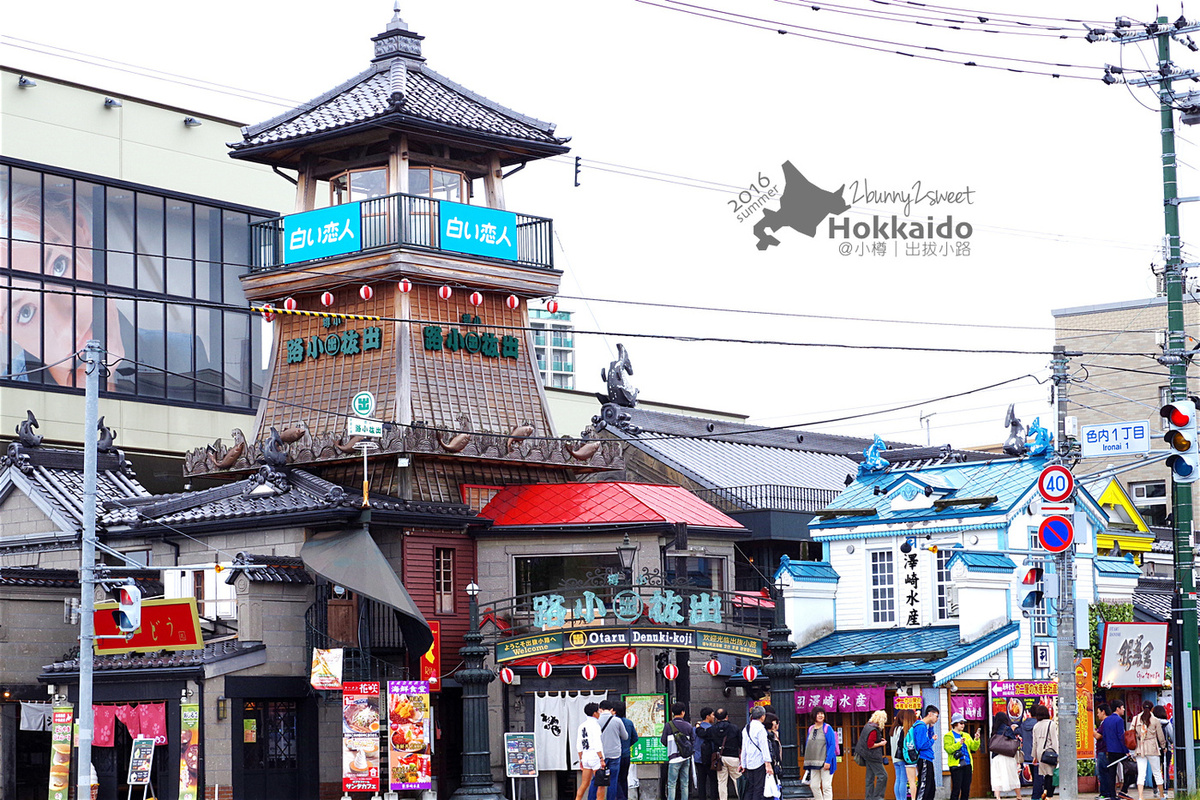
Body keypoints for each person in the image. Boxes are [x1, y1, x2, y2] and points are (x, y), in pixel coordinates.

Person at [588, 700, 628, 800]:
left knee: (595, 779)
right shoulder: (617, 721)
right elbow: (625, 736)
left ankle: (591, 798)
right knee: (613, 780)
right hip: (615, 754)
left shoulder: (596, 721)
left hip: (600, 755)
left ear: (600, 709)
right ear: (611, 709)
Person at [1132, 701, 1166, 800]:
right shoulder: (1155, 720)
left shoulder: (1135, 719)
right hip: (1152, 748)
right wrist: (1163, 746)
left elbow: (1131, 732)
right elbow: (1160, 736)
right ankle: (1161, 795)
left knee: (1141, 773)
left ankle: (1140, 796)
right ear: (1152, 709)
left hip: (1140, 748)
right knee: (1157, 772)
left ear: (1142, 708)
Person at [803, 707, 839, 800]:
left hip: (825, 762)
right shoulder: (811, 729)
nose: (820, 715)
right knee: (814, 786)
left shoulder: (827, 728)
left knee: (826, 786)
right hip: (813, 763)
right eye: (818, 713)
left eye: (822, 713)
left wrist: (828, 761)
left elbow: (832, 745)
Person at [943, 712, 980, 800]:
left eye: (963, 723)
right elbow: (948, 749)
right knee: (956, 789)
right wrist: (959, 744)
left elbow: (973, 747)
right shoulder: (948, 736)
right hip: (956, 765)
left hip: (967, 764)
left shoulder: (966, 735)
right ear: (955, 724)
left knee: (966, 789)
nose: (963, 725)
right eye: (961, 723)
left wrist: (977, 739)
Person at [662, 702, 694, 800]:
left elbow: (663, 741)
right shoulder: (688, 726)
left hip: (673, 758)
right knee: (685, 783)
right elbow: (693, 741)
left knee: (672, 783)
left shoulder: (668, 725)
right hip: (685, 757)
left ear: (672, 712)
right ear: (683, 712)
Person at [575, 702, 607, 800]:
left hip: (585, 757)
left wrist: (581, 759)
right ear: (594, 713)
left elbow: (579, 745)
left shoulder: (582, 726)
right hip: (595, 757)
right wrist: (601, 758)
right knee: (601, 784)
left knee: (584, 784)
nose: (599, 713)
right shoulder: (595, 726)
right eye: (598, 711)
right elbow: (598, 743)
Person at [709, 708, 742, 800]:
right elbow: (741, 743)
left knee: (722, 781)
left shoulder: (712, 729)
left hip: (720, 758)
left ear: (716, 718)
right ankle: (741, 796)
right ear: (727, 717)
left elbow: (705, 735)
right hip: (733, 757)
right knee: (737, 780)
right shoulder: (734, 728)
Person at [741, 706, 772, 800]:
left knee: (750, 788)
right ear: (763, 716)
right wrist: (768, 763)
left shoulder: (746, 728)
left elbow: (744, 747)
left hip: (749, 762)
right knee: (759, 788)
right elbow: (764, 747)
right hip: (759, 761)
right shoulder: (761, 729)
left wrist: (743, 763)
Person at [990, 710, 1022, 800]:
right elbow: (1013, 740)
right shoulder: (1007, 728)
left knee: (997, 777)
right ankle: (1018, 796)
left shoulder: (994, 730)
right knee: (1013, 775)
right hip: (1007, 755)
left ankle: (998, 797)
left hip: (996, 757)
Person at [1101, 700, 1129, 800]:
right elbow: (1121, 736)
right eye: (1122, 707)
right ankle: (1123, 790)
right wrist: (1126, 750)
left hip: (1110, 750)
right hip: (1120, 750)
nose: (1124, 709)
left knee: (1111, 773)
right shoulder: (1119, 720)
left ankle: (1112, 795)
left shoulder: (1106, 720)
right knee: (1130, 770)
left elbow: (1104, 736)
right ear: (1117, 708)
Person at [1031, 703, 1058, 800]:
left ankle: (1045, 792)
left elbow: (1034, 743)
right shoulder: (1051, 724)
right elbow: (1054, 741)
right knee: (1052, 775)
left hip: (1040, 754)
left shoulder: (1036, 726)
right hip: (1050, 753)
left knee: (1046, 774)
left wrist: (1034, 757)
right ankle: (1048, 795)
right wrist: (1057, 755)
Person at [912, 705, 940, 800]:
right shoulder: (921, 726)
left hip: (927, 758)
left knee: (931, 787)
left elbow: (926, 740)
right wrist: (932, 740)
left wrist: (931, 728)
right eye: (936, 716)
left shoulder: (924, 726)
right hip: (923, 758)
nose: (937, 719)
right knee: (924, 786)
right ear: (930, 714)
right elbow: (921, 745)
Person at [860, 710, 889, 800]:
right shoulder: (874, 730)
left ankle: (869, 797)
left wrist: (879, 739)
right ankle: (878, 797)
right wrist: (881, 744)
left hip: (867, 756)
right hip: (874, 757)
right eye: (884, 719)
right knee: (883, 776)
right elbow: (870, 745)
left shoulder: (868, 726)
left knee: (869, 778)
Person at [615, 701, 639, 800]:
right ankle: (624, 796)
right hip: (626, 755)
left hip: (615, 755)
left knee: (615, 779)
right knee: (624, 778)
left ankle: (621, 798)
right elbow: (635, 738)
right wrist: (627, 746)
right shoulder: (629, 722)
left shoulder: (613, 722)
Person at [891, 708, 915, 800]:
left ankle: (898, 798)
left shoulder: (893, 729)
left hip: (895, 758)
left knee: (898, 779)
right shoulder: (902, 729)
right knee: (903, 780)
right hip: (902, 758)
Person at [696, 707, 717, 800]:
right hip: (710, 758)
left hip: (698, 758)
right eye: (712, 715)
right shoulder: (713, 729)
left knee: (701, 781)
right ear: (707, 716)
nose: (714, 717)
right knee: (713, 780)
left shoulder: (695, 729)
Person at [1153, 705, 1172, 794]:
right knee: (1165, 769)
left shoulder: (1152, 723)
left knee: (1156, 769)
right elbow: (1172, 737)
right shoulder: (1167, 723)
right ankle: (1165, 790)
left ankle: (1155, 788)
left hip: (1154, 750)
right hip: (1166, 750)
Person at [1096, 703, 1113, 800]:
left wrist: (1092, 731)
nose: (1098, 715)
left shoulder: (1105, 722)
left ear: (1103, 712)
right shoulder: (1108, 722)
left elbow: (1099, 735)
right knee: (1105, 773)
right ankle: (1107, 793)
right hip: (1105, 751)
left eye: (1098, 712)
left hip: (1103, 751)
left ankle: (1105, 793)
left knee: (1103, 773)